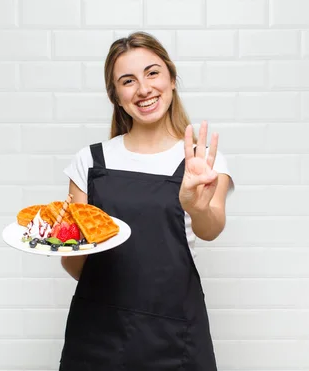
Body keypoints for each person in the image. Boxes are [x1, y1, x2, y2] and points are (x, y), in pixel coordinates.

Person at [59, 31, 234, 371]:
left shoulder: (201, 158)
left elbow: (211, 228)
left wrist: (197, 206)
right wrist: (68, 241)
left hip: (175, 334)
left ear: (171, 78)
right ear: (116, 96)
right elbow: (73, 265)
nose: (143, 89)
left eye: (152, 73)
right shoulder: (90, 162)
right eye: (128, 81)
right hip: (98, 335)